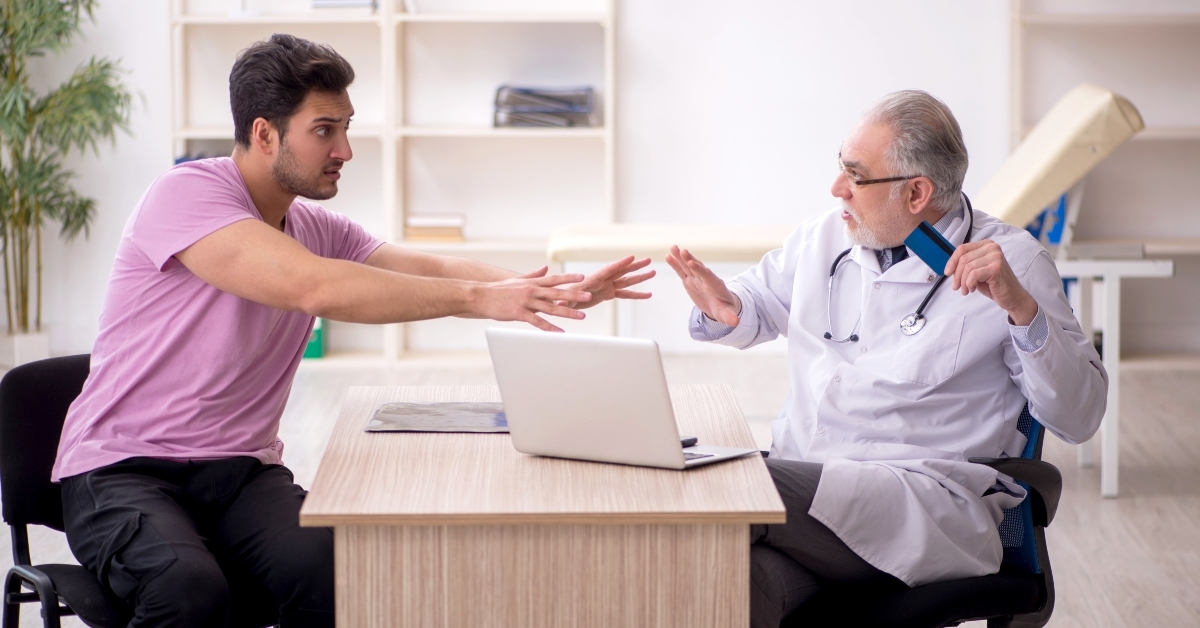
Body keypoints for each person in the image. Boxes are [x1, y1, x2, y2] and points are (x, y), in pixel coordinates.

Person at [52, 34, 653, 627]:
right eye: (324, 130)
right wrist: (482, 298)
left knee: (340, 570)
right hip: (122, 468)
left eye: (346, 126)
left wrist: (548, 289)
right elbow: (316, 287)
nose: (345, 148)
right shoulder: (186, 195)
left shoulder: (313, 225)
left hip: (238, 472)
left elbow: (432, 268)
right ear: (265, 134)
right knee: (187, 592)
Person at [665, 90, 1107, 627]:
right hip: (810, 491)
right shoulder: (825, 237)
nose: (836, 189)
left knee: (730, 486)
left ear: (916, 191)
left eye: (855, 175)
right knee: (733, 581)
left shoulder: (1013, 266)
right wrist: (730, 307)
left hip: (920, 504)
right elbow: (758, 302)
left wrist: (1021, 310)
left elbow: (1079, 416)